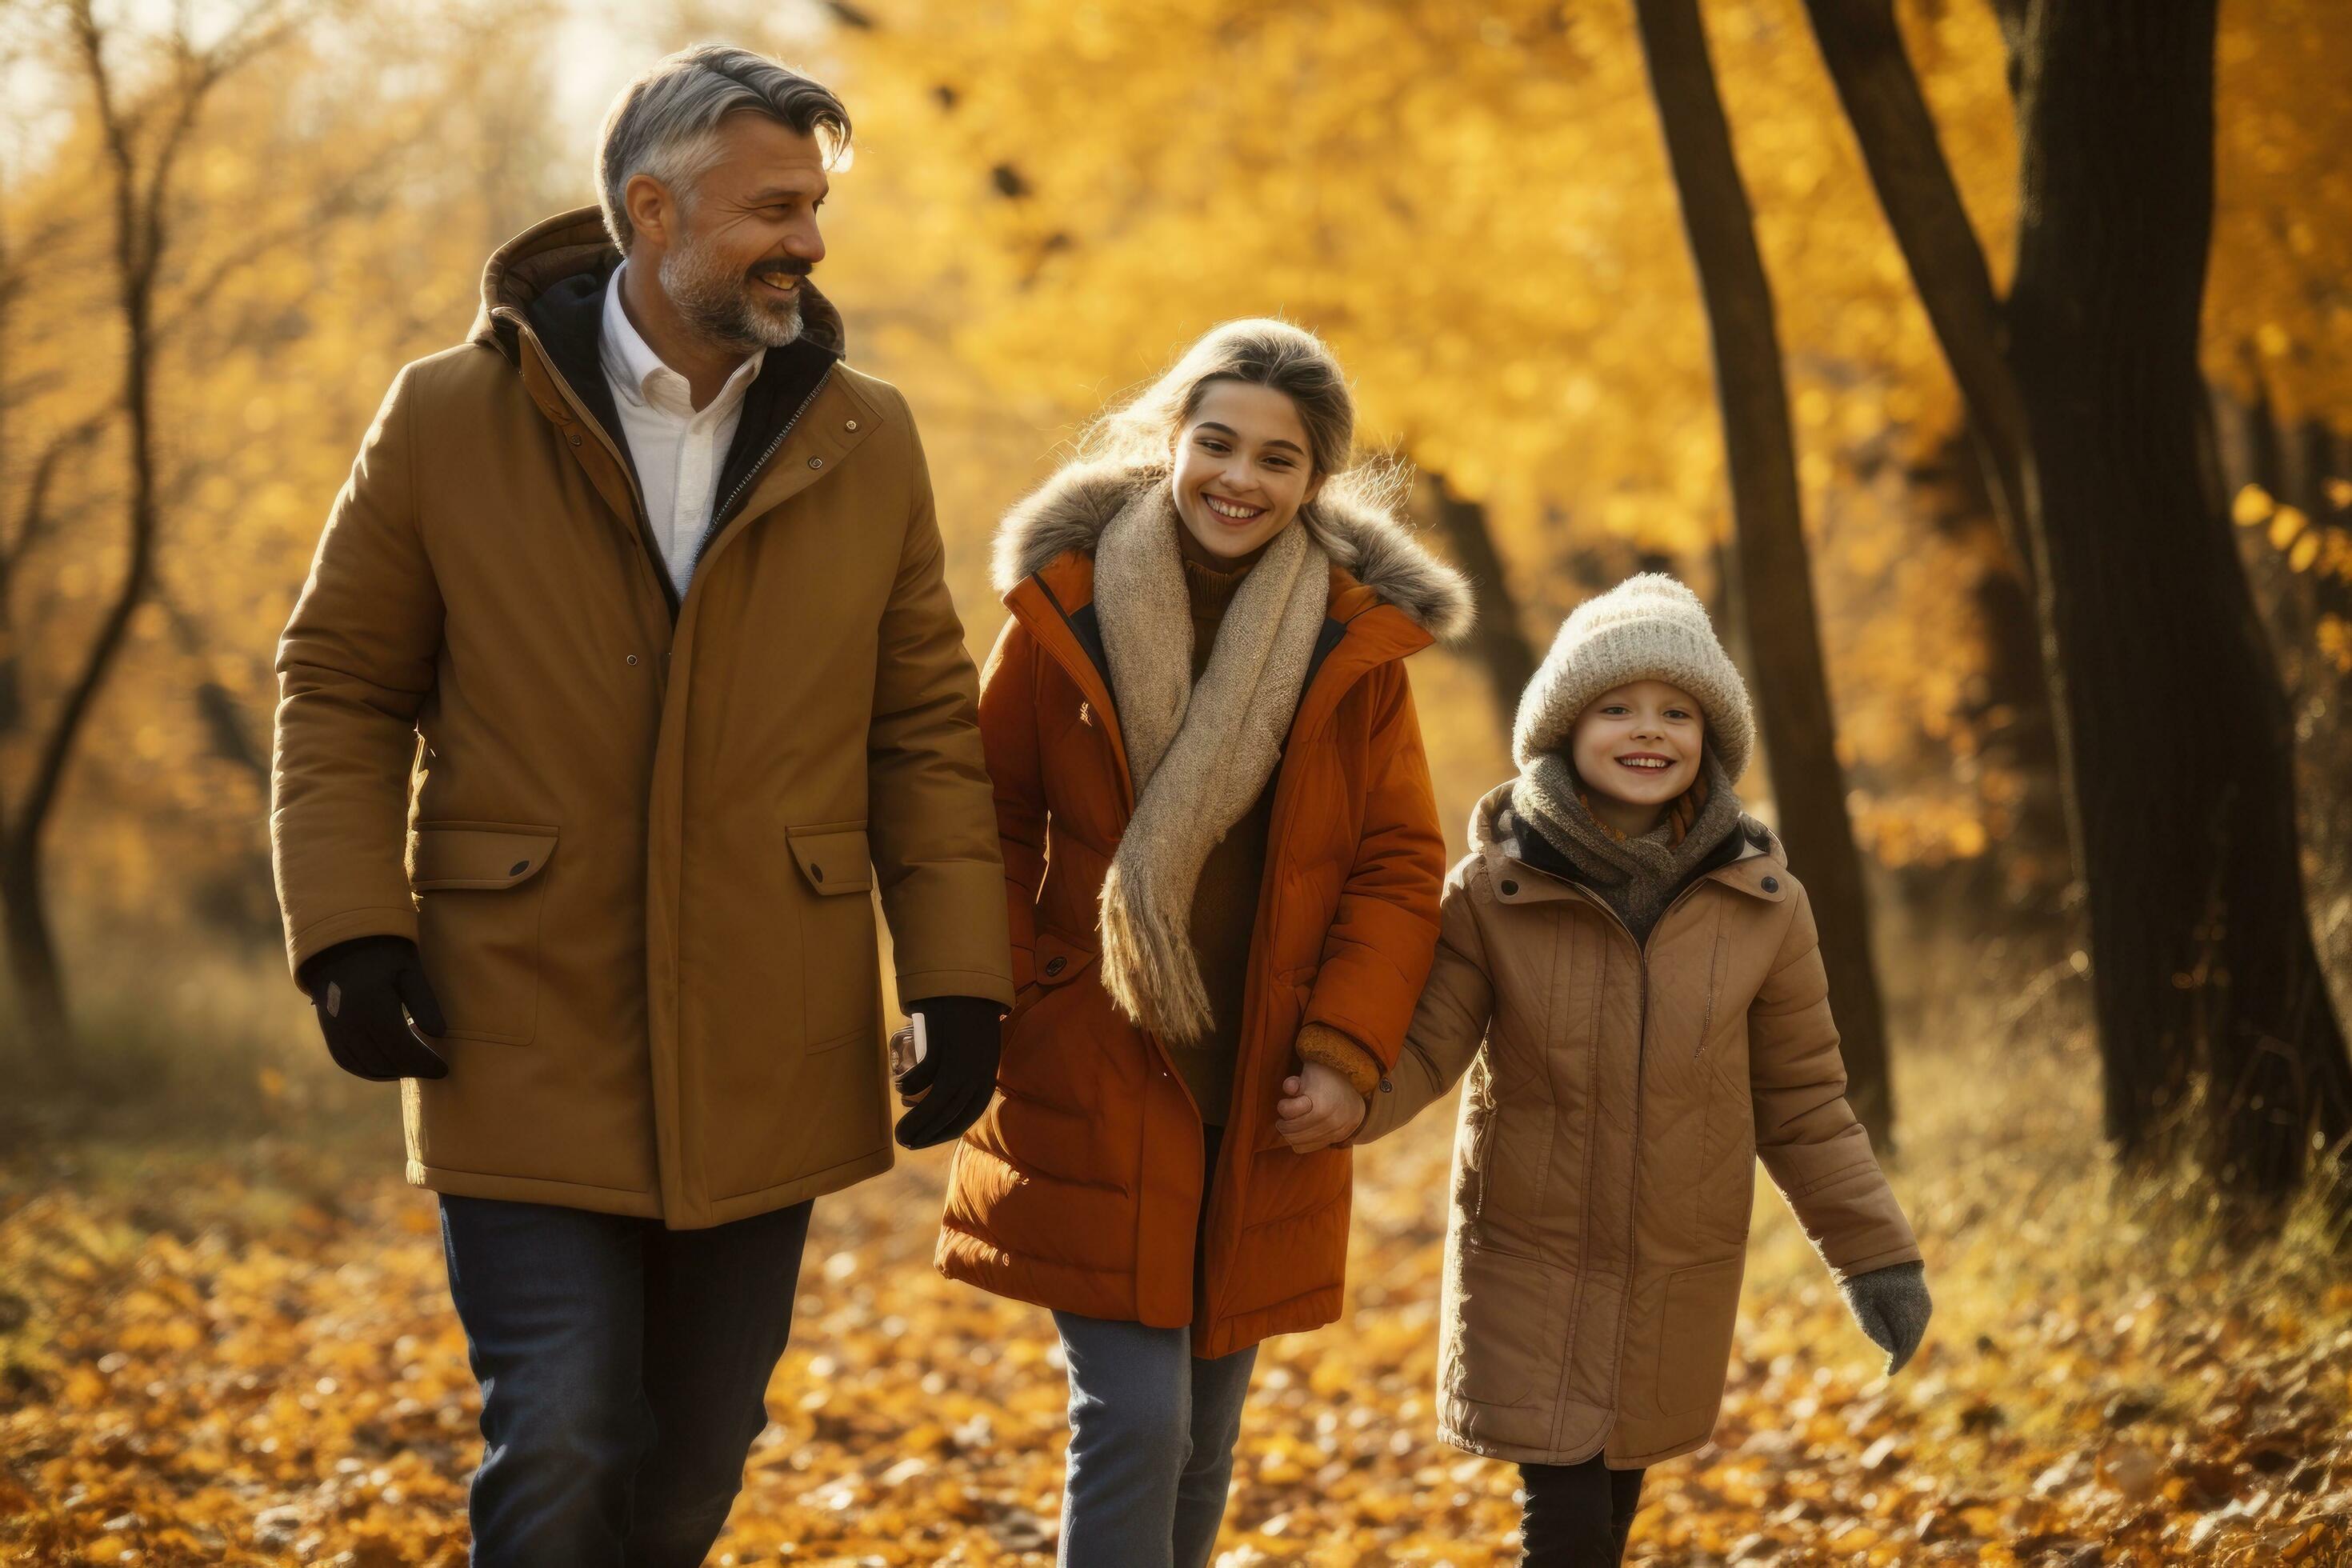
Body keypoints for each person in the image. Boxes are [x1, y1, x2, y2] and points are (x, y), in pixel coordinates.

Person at [270, 46, 1013, 1566]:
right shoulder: (442, 419)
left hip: (769, 1026)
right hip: (518, 1015)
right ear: (652, 209)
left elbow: (923, 726)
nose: (808, 239)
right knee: (560, 1424)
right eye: (774, 207)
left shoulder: (867, 434)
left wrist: (957, 973)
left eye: (816, 206)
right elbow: (340, 686)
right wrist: (350, 932)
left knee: (691, 1461)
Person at [934, 319, 1472, 1566]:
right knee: (1136, 1417)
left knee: (1204, 1437)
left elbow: (1397, 865)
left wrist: (1343, 1054)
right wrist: (1006, 988)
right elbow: (989, 820)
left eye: (1278, 460)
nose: (1241, 478)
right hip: (1096, 1054)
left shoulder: (1356, 640)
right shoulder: (1063, 610)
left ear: (1315, 482)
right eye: (1216, 442)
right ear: (1168, 441)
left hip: (1262, 1077)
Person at [1349, 574, 1931, 1566]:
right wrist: (1331, 1094)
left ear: (1711, 738)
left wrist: (1874, 1253)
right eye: (1615, 707)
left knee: (1609, 1522)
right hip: (1531, 1263)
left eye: (1677, 710)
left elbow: (1802, 1103)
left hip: (1674, 1276)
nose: (1647, 729)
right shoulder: (1497, 889)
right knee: (1566, 1526)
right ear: (1565, 730)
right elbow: (1422, 1048)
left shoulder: (1764, 903)